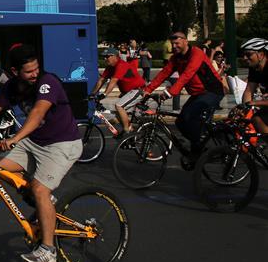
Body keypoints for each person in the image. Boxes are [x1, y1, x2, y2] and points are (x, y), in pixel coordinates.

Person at [0, 44, 81, 262]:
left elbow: (37, 113)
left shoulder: (47, 82)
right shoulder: (13, 86)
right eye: (29, 71)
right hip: (35, 141)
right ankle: (44, 202)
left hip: (62, 143)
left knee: (40, 189)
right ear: (15, 71)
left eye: (36, 69)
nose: (35, 74)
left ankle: (48, 250)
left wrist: (14, 138)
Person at [142, 31, 224, 167]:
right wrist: (148, 89)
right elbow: (164, 73)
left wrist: (170, 92)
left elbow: (187, 74)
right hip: (197, 93)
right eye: (172, 44)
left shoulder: (196, 53)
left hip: (212, 91)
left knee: (191, 116)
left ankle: (198, 150)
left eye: (177, 43)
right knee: (180, 122)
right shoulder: (176, 58)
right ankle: (199, 145)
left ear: (186, 41)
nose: (174, 46)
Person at [89, 47, 145, 135]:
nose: (105, 59)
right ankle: (128, 129)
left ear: (115, 56)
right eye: (104, 57)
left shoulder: (121, 65)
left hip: (137, 90)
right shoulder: (110, 67)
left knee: (119, 106)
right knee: (118, 113)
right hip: (127, 92)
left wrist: (104, 94)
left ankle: (126, 131)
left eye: (107, 56)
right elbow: (101, 80)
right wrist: (92, 93)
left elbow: (113, 81)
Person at [239, 38, 268, 135]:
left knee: (258, 119)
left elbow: (252, 102)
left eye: (248, 54)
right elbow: (249, 90)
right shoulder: (255, 69)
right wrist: (243, 109)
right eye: (243, 55)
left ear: (261, 54)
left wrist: (254, 102)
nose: (245, 58)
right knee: (255, 119)